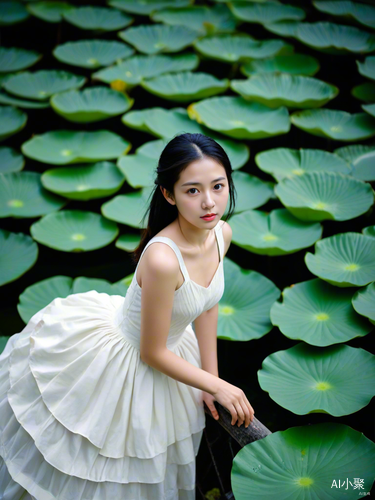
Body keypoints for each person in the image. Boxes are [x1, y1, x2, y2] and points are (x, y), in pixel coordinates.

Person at [0, 132, 254, 499]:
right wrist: (217, 386)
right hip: (130, 357)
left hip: (177, 353)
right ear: (169, 194)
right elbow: (151, 352)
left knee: (153, 465)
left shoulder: (221, 234)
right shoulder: (162, 259)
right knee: (100, 468)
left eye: (218, 186)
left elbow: (207, 303)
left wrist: (208, 376)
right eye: (192, 191)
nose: (209, 202)